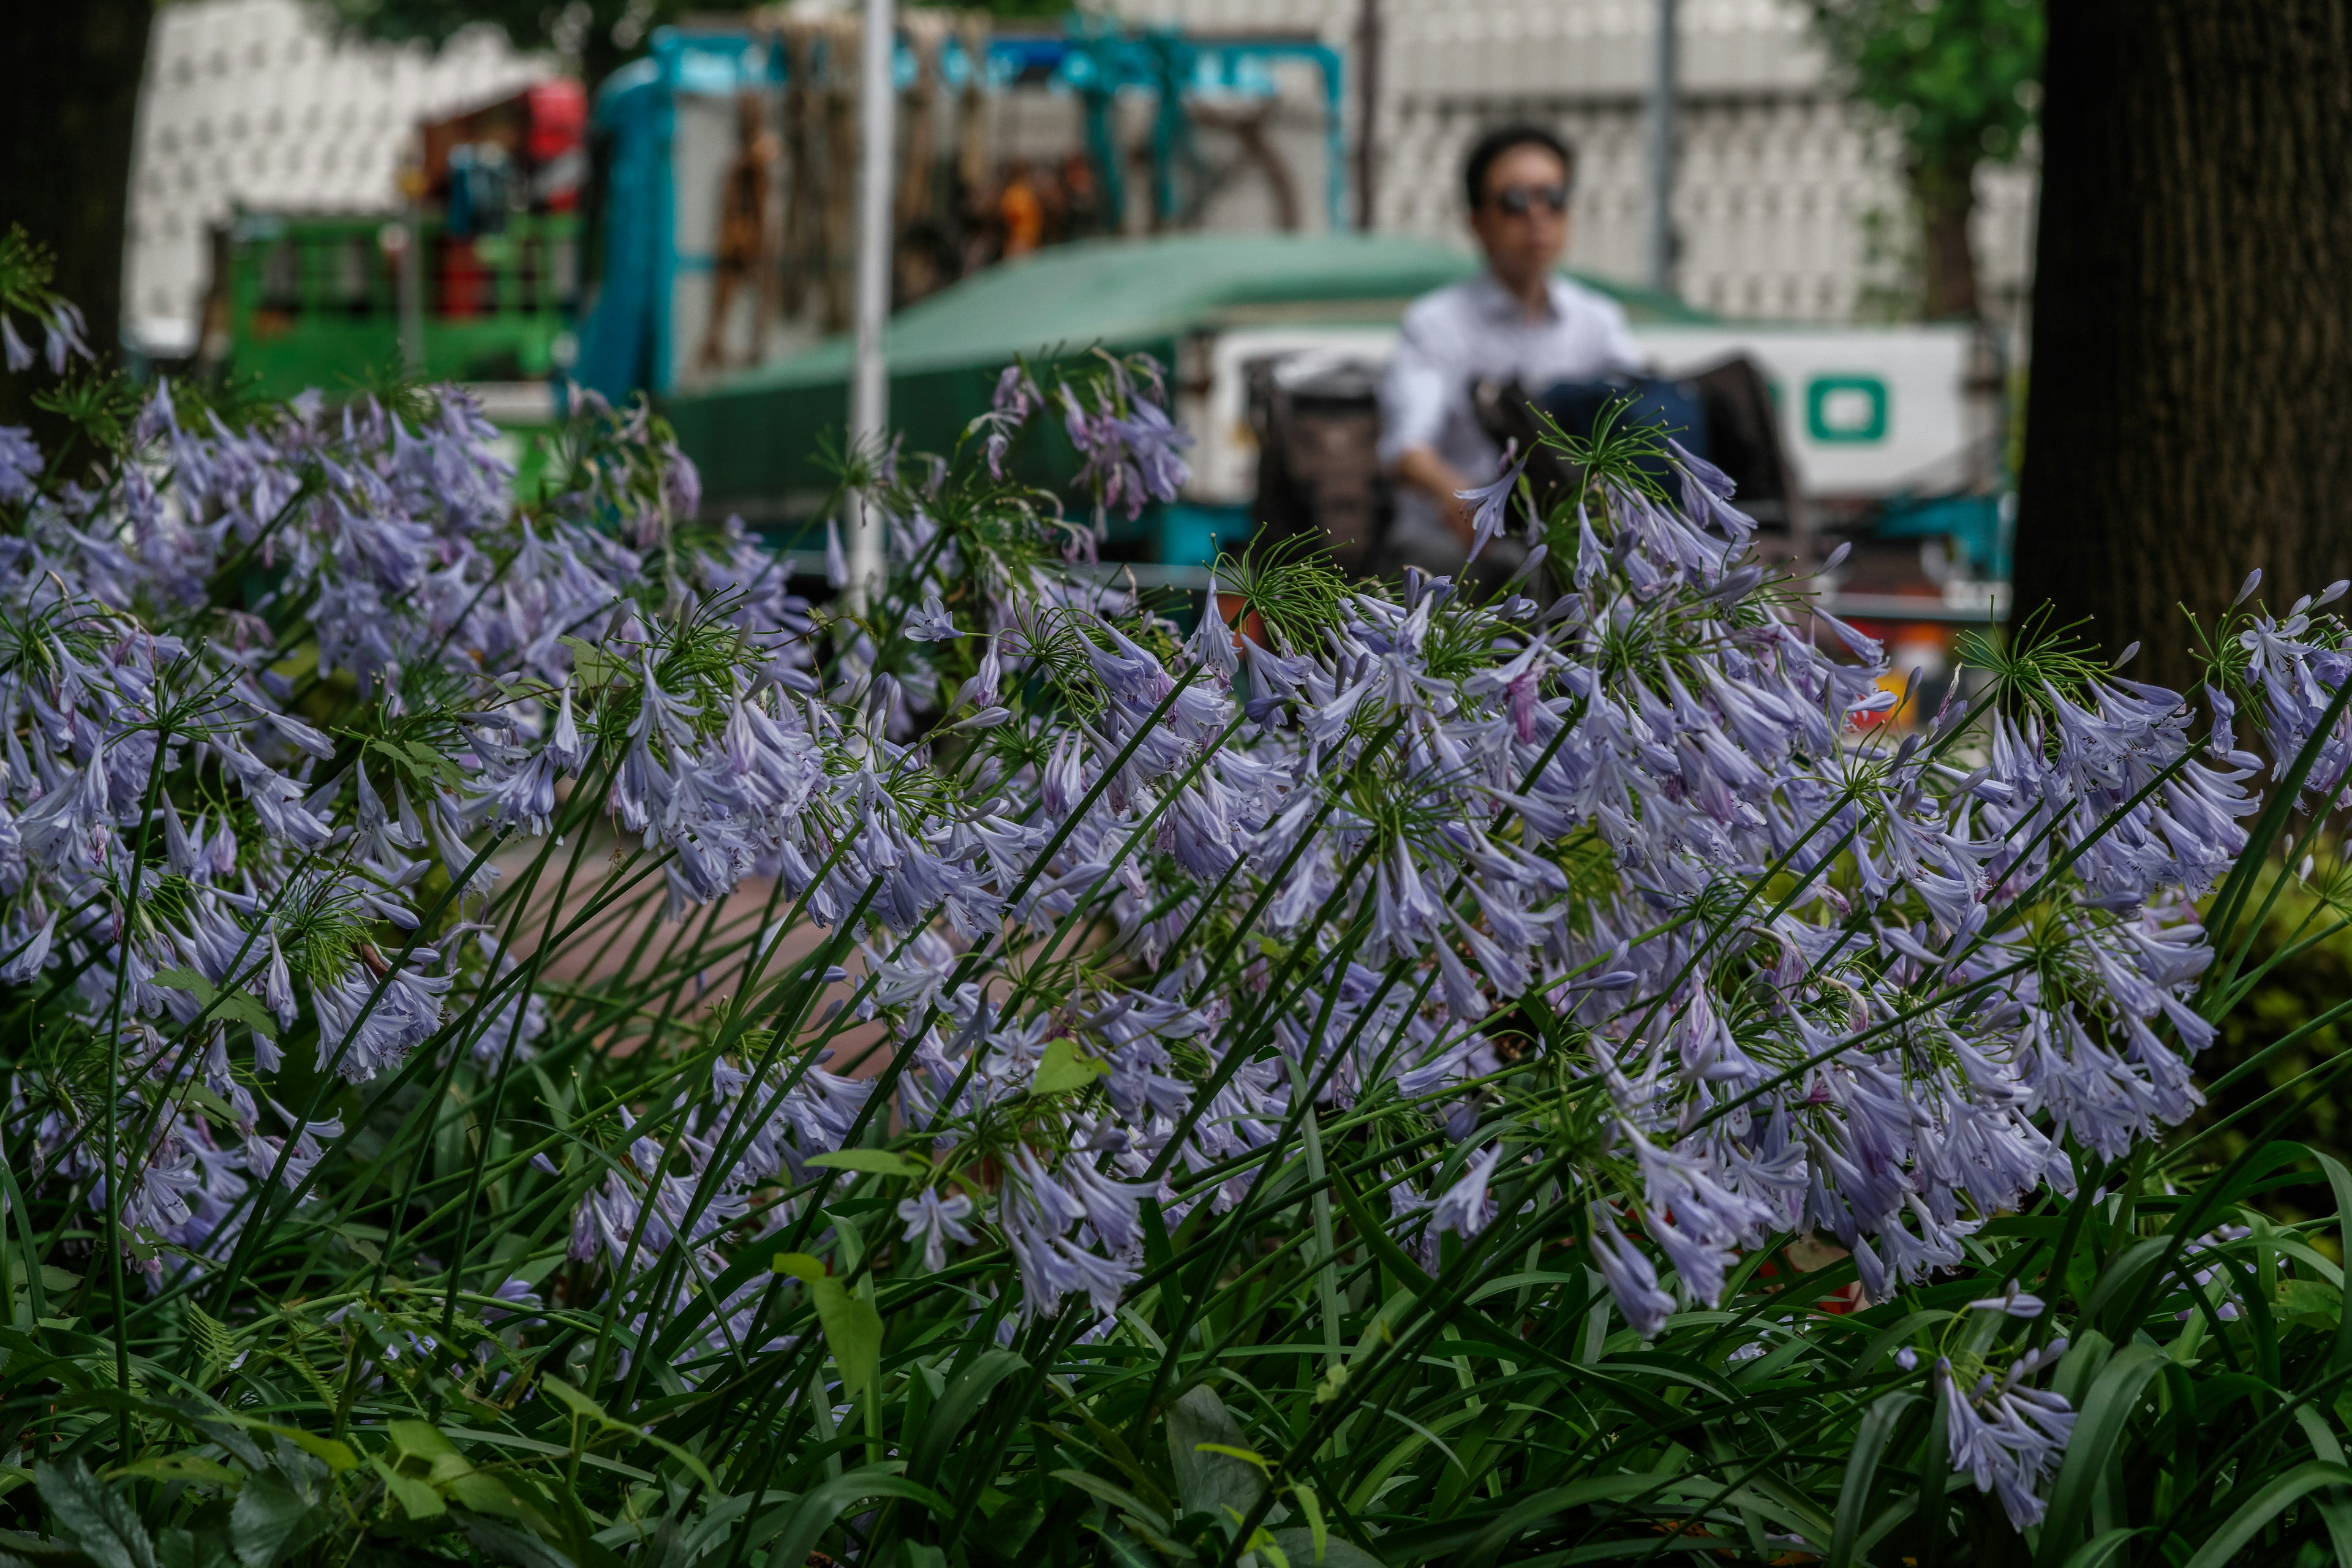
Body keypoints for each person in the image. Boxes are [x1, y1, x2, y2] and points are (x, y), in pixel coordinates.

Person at [1376, 124, 1644, 578]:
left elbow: (1640, 415)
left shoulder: (1598, 320)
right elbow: (1407, 448)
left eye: (1553, 198)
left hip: (1569, 535)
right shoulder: (1435, 323)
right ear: (1477, 222)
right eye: (1515, 202)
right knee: (1525, 574)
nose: (1537, 216)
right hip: (1456, 541)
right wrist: (1457, 496)